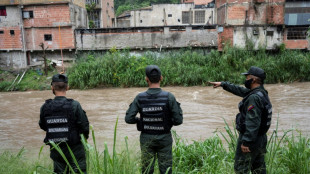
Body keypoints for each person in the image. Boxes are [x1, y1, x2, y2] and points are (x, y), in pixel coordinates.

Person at [209, 66, 272, 174]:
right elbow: (240, 90)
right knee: (259, 169)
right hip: (260, 139)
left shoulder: (254, 98)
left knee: (241, 169)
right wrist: (223, 84)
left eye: (247, 78)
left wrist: (246, 141)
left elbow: (253, 122)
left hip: (251, 140)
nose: (246, 80)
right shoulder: (261, 93)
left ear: (254, 80)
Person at [125, 65, 183, 174]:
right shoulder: (169, 97)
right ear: (161, 78)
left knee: (147, 170)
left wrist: (139, 121)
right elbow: (178, 120)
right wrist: (167, 121)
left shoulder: (139, 97)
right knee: (166, 170)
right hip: (164, 138)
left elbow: (128, 118)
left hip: (146, 138)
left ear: (146, 79)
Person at [39, 74, 89, 174]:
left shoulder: (45, 107)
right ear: (67, 87)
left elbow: (43, 126)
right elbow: (84, 127)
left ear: (52, 88)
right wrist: (83, 140)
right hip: (75, 149)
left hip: (57, 149)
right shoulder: (75, 105)